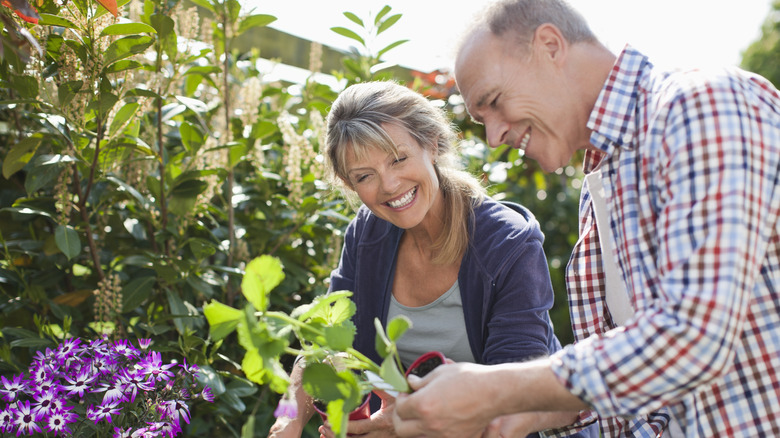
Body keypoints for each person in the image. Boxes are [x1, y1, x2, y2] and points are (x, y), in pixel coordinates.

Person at [392, 0, 780, 437]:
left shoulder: (701, 104)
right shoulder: (602, 179)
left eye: (494, 103)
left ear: (550, 46)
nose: (495, 136)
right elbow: (645, 382)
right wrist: (527, 414)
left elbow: (694, 336)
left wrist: (498, 389)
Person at [268, 81, 598, 437]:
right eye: (365, 176)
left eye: (398, 159)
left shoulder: (507, 243)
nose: (390, 185)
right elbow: (322, 345)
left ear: (432, 145)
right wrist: (287, 419)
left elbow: (513, 403)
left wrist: (396, 429)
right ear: (350, 185)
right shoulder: (367, 235)